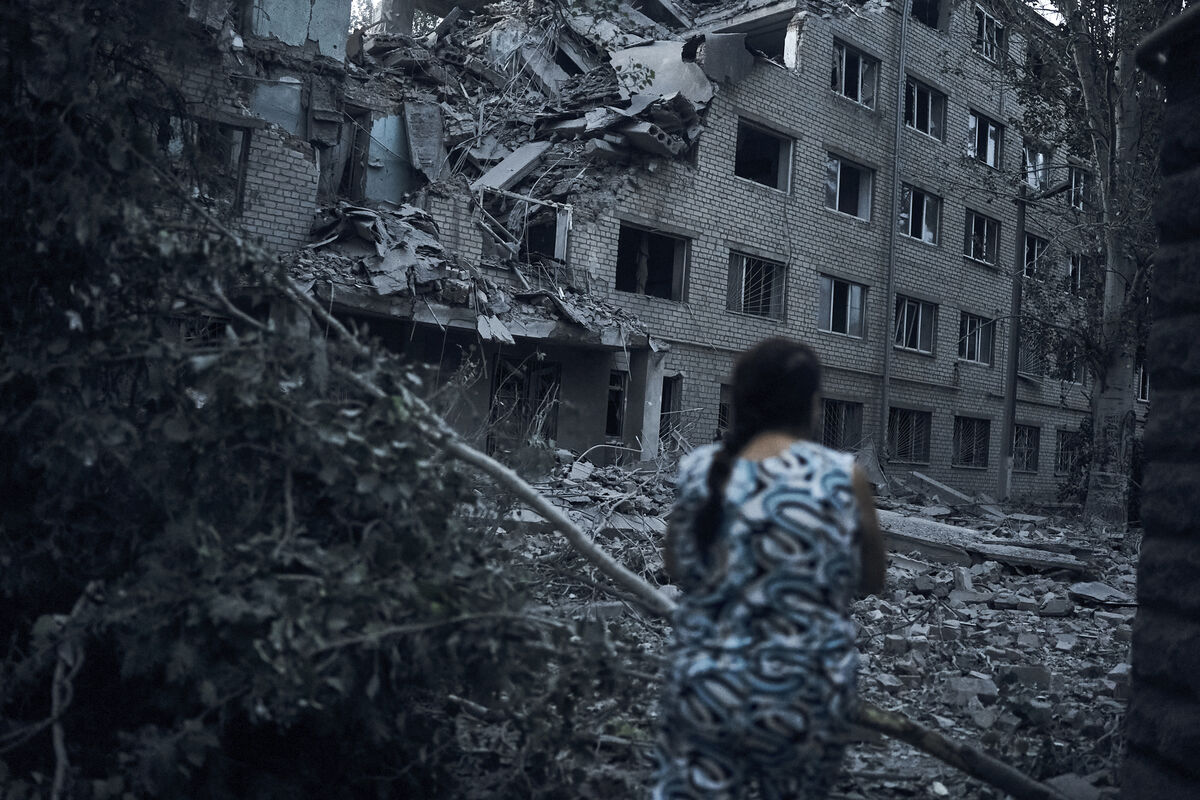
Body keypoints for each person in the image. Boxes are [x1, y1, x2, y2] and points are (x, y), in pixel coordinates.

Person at [653, 337, 886, 800]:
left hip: (708, 687)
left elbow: (678, 567)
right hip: (805, 695)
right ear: (812, 405)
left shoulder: (699, 470)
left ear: (741, 400)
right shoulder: (843, 476)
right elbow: (872, 580)